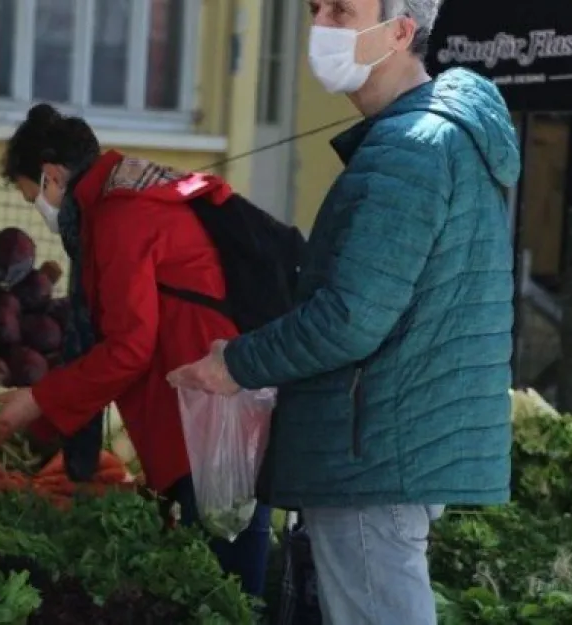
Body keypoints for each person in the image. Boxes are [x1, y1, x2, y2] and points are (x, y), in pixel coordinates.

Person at [166, 1, 520, 623]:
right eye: (315, 8)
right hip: (389, 439)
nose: (319, 25)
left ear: (402, 31)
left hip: (373, 450)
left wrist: (237, 365)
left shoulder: (411, 147)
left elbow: (349, 317)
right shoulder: (434, 137)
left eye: (342, 10)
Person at [0, 103, 272, 598]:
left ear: (52, 176)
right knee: (223, 580)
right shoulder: (124, 197)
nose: (39, 211)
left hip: (208, 416)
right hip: (206, 407)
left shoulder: (121, 217)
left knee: (227, 588)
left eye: (31, 196)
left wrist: (35, 402)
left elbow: (128, 349)